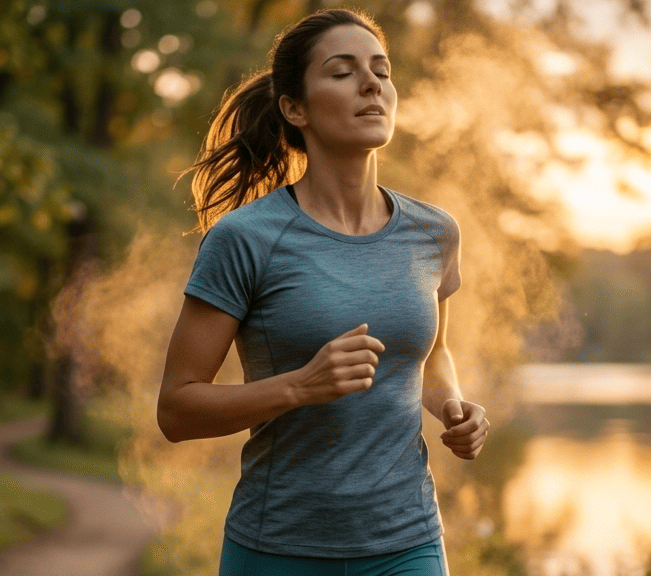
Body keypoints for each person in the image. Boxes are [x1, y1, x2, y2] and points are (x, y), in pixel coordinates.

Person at [157, 8, 490, 576]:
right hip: (279, 547)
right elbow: (177, 409)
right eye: (342, 72)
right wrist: (298, 386)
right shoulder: (245, 239)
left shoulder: (434, 232)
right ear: (294, 107)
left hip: (408, 543)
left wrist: (453, 407)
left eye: (381, 71)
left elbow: (431, 354)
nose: (371, 84)